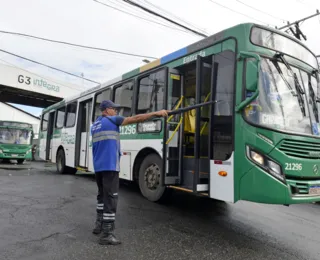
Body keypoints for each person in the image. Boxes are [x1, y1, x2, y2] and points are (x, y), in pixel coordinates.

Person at [91, 100, 169, 245]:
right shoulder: (112, 120)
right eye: (114, 109)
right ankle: (107, 234)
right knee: (111, 198)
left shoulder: (95, 125)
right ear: (107, 110)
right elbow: (136, 119)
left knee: (101, 196)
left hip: (98, 167)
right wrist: (157, 113)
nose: (116, 111)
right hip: (110, 167)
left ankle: (98, 225)